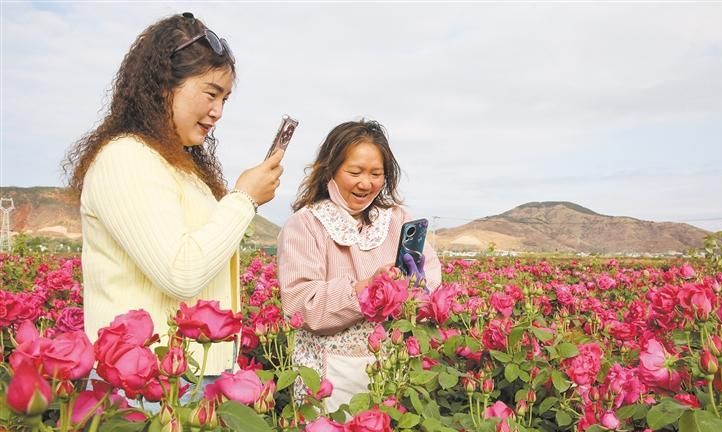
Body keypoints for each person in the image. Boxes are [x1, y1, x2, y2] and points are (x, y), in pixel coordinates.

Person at [63, 12, 283, 377]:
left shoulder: (179, 165)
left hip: (187, 375)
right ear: (164, 85)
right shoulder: (126, 157)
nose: (218, 112)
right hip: (146, 383)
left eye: (225, 99)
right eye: (211, 94)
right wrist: (244, 199)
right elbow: (180, 272)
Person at [277, 120, 441, 411]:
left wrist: (414, 288)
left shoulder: (397, 220)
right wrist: (365, 289)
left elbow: (430, 283)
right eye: (355, 172)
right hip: (328, 376)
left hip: (390, 371)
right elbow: (301, 305)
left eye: (376, 174)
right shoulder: (306, 225)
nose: (366, 184)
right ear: (330, 169)